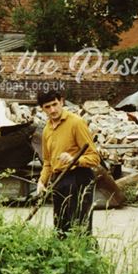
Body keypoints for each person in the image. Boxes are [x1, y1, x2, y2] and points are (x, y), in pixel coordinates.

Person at [36, 89, 101, 237]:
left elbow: (94, 158)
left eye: (55, 104)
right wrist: (42, 181)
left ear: (62, 102)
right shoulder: (46, 129)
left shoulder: (76, 123)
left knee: (80, 227)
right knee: (61, 227)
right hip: (59, 180)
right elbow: (47, 161)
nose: (52, 110)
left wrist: (75, 160)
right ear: (42, 109)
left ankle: (89, 257)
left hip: (79, 177)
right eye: (47, 107)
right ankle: (64, 259)